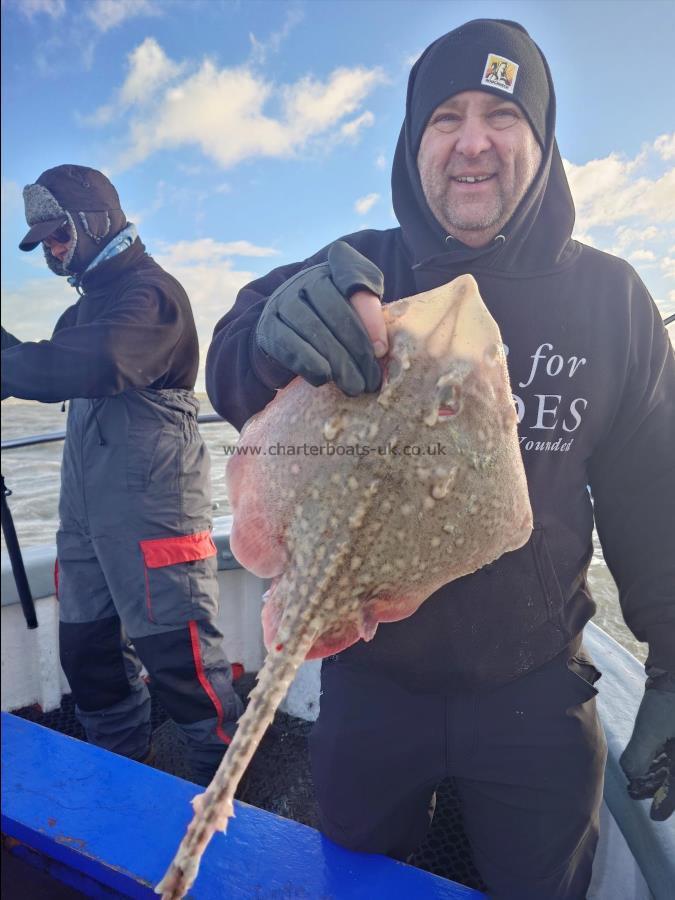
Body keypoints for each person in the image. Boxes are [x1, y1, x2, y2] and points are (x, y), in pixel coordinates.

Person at [205, 18, 674, 899]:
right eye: (445, 116)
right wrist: (267, 337)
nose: (472, 141)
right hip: (372, 675)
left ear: (541, 139)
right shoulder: (359, 271)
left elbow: (654, 496)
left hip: (534, 682)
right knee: (353, 878)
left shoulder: (610, 299)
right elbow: (228, 358)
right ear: (412, 142)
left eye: (501, 115)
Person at [1, 164, 243, 786]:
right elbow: (47, 363)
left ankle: (224, 799)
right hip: (85, 517)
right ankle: (121, 783)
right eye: (43, 243)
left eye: (58, 235)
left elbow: (101, 359)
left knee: (181, 662)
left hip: (154, 508)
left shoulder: (151, 294)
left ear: (95, 222)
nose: (52, 252)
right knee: (88, 655)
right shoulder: (86, 310)